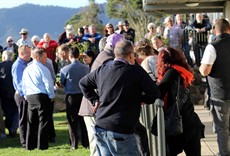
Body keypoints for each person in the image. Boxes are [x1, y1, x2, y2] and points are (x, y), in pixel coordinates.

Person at [79, 40, 160, 155]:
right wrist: (140, 100)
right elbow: (155, 93)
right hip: (121, 130)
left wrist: (94, 99)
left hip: (101, 127)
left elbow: (83, 83)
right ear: (130, 55)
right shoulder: (135, 71)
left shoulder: (103, 69)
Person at [78, 33, 124, 156]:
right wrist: (95, 99)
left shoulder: (104, 56)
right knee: (97, 146)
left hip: (94, 107)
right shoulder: (108, 60)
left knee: (99, 145)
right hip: (93, 108)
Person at [156, 46, 205, 156]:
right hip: (190, 121)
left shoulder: (171, 72)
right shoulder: (182, 71)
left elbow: (159, 92)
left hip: (177, 124)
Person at [199, 18, 230, 156]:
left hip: (220, 93)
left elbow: (205, 70)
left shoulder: (213, 46)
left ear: (215, 30)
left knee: (221, 128)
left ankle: (224, 153)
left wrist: (200, 69)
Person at [22, 48, 55, 150]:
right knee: (43, 122)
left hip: (30, 97)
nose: (46, 59)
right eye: (44, 57)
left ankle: (30, 145)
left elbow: (24, 84)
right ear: (37, 57)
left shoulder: (27, 69)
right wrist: (51, 96)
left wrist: (26, 96)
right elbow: (48, 84)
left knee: (31, 122)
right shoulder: (44, 69)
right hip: (41, 96)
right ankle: (42, 146)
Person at [58, 47, 89, 149]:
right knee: (83, 120)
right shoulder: (86, 68)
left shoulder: (65, 69)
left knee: (72, 121)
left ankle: (74, 143)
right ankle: (86, 142)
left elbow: (62, 83)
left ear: (70, 56)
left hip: (71, 96)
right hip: (83, 96)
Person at [11, 45, 32, 148]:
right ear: (22, 54)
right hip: (22, 95)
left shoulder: (25, 64)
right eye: (28, 53)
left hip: (26, 94)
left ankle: (28, 139)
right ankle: (24, 142)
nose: (30, 55)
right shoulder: (18, 65)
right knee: (23, 119)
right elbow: (19, 84)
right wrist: (26, 96)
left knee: (28, 118)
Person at [0, 50, 19, 137]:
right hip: (15, 92)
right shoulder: (16, 66)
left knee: (7, 112)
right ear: (12, 57)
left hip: (3, 93)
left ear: (3, 57)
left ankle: (10, 127)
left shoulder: (0, 66)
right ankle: (13, 128)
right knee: (16, 111)